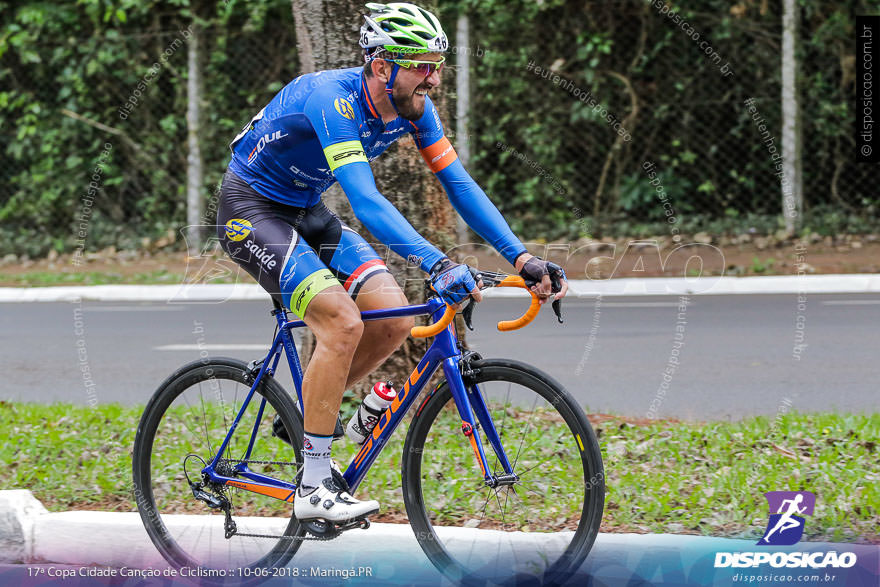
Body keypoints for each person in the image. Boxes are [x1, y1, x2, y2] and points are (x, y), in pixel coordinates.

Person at [217, 1, 567, 523]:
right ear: (382, 66)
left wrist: (522, 255)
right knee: (340, 321)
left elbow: (459, 185)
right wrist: (439, 263)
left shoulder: (416, 109)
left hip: (305, 210)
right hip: (250, 209)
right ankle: (313, 487)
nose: (434, 78)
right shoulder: (333, 102)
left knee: (398, 317)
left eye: (438, 65)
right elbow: (366, 202)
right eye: (422, 66)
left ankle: (308, 420)